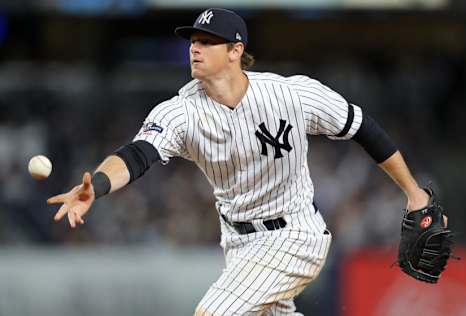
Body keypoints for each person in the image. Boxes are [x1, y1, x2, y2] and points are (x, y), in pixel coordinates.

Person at [47, 8, 436, 316]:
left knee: (214, 313)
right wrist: (95, 187)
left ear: (236, 51)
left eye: (207, 41)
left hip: (295, 235)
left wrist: (414, 194)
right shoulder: (180, 112)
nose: (194, 48)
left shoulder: (290, 94)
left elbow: (362, 126)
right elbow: (137, 155)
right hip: (236, 241)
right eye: (193, 40)